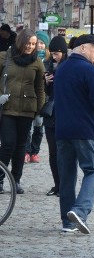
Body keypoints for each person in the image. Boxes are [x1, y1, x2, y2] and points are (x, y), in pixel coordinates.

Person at [56, 35, 94, 233]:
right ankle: (80, 211)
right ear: (82, 48)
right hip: (85, 130)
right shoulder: (89, 70)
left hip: (63, 131)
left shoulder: (61, 69)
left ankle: (68, 222)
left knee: (67, 176)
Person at [0, 29, 46, 195]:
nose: (31, 47)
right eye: (28, 43)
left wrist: (40, 111)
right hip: (7, 108)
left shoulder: (37, 62)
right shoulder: (5, 57)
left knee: (21, 147)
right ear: (20, 42)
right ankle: (0, 178)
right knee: (7, 144)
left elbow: (40, 88)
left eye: (33, 44)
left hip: (27, 109)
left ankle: (16, 180)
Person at [42, 36, 68, 196]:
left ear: (63, 52)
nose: (54, 56)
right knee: (53, 152)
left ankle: (64, 185)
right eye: (52, 53)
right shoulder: (48, 66)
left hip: (64, 113)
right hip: (51, 114)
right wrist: (45, 82)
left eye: (57, 53)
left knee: (63, 151)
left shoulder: (68, 66)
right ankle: (57, 184)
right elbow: (47, 92)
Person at [24, 32, 51, 164]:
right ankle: (26, 151)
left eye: (42, 43)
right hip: (29, 97)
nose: (39, 45)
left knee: (39, 126)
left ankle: (35, 152)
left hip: (43, 98)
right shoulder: (29, 58)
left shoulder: (50, 61)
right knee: (27, 126)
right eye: (38, 43)